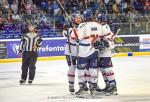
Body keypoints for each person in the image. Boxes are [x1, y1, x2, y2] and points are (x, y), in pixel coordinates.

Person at [96, 13, 118, 95]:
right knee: (102, 69)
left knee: (107, 69)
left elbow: (109, 40)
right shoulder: (102, 26)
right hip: (101, 52)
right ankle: (108, 84)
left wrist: (105, 43)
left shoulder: (105, 27)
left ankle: (113, 86)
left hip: (106, 52)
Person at [62, 12, 82, 94]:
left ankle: (83, 86)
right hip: (70, 52)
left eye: (80, 18)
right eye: (77, 18)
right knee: (72, 68)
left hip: (81, 52)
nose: (79, 19)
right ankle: (71, 85)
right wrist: (66, 28)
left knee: (82, 70)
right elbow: (64, 35)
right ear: (73, 19)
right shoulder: (68, 27)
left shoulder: (82, 27)